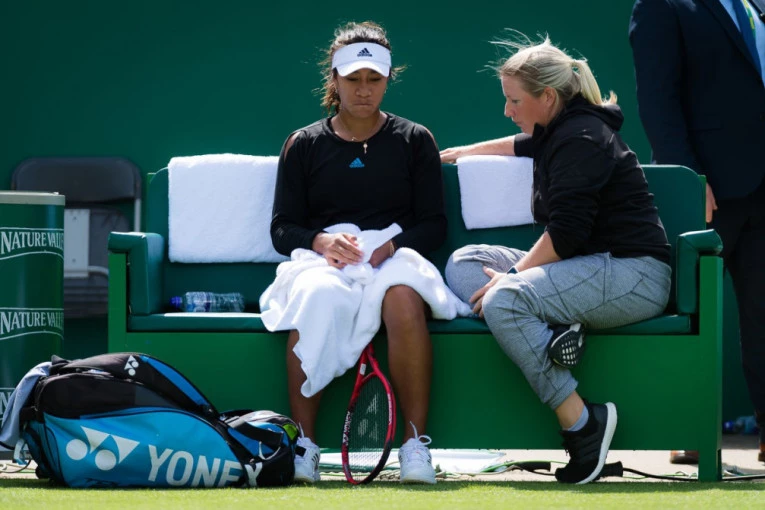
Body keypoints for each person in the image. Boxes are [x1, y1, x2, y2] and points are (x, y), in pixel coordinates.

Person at [439, 36, 672, 484]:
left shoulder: (582, 137)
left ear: (547, 97)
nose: (507, 110)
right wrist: (465, 152)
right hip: (586, 267)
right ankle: (555, 328)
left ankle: (583, 423)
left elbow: (565, 235)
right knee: (464, 262)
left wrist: (511, 278)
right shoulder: (560, 127)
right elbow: (519, 144)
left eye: (514, 101)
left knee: (504, 299)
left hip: (635, 275)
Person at [268, 21, 446, 484]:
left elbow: (434, 224)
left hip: (395, 257)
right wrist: (322, 241)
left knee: (403, 299)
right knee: (316, 297)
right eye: (353, 79)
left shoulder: (415, 139)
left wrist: (391, 246)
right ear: (334, 79)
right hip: (324, 262)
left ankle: (415, 446)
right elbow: (282, 228)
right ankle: (305, 446)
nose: (364, 90)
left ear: (388, 80)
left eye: (374, 79)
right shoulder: (303, 144)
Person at [629, 0, 765, 465]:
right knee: (690, 313)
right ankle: (686, 427)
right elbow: (657, 98)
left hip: (762, 187)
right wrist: (689, 178)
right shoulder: (662, 5)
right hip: (705, 189)